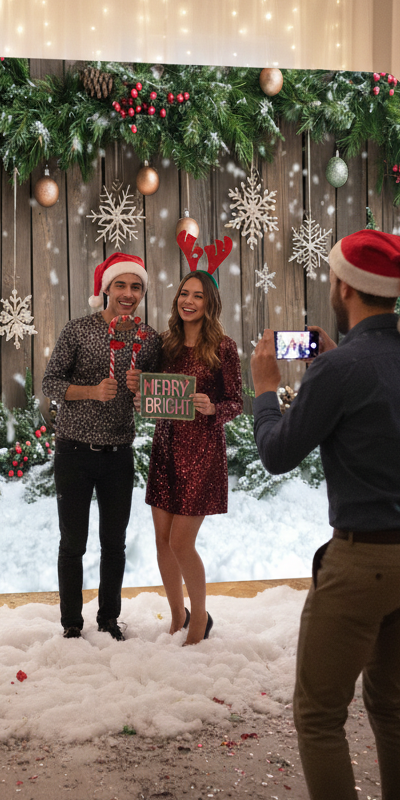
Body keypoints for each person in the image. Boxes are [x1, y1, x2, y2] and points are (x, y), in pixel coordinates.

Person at [252, 229, 400, 800]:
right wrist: (332, 369)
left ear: (342, 287)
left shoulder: (337, 369)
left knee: (317, 715)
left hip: (366, 560)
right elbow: (385, 406)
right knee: (392, 700)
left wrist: (263, 391)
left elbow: (279, 452)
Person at [42, 252, 161, 641]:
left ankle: (109, 619)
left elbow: (159, 395)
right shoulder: (79, 330)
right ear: (106, 288)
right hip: (74, 451)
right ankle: (71, 624)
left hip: (118, 455)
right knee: (72, 543)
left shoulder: (148, 339)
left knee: (114, 543)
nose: (128, 293)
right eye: (121, 285)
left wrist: (143, 386)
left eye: (136, 286)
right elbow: (50, 384)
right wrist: (91, 390)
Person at [142, 271, 243, 645]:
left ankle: (199, 619)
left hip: (201, 452)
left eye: (198, 296)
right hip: (166, 447)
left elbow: (237, 402)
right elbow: (153, 390)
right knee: (162, 541)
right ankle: (176, 615)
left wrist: (212, 407)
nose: (189, 301)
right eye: (184, 293)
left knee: (182, 542)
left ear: (210, 303)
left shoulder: (223, 348)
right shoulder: (165, 344)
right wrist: (142, 394)